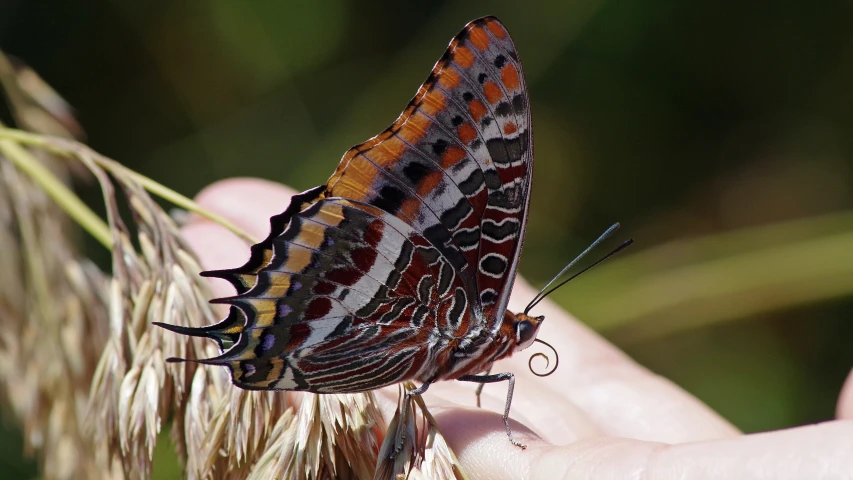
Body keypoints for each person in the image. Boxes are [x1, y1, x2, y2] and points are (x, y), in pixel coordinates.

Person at [182, 178, 853, 479]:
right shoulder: (463, 316)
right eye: (519, 325)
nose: (521, 333)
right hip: (326, 312)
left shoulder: (471, 339)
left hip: (337, 336)